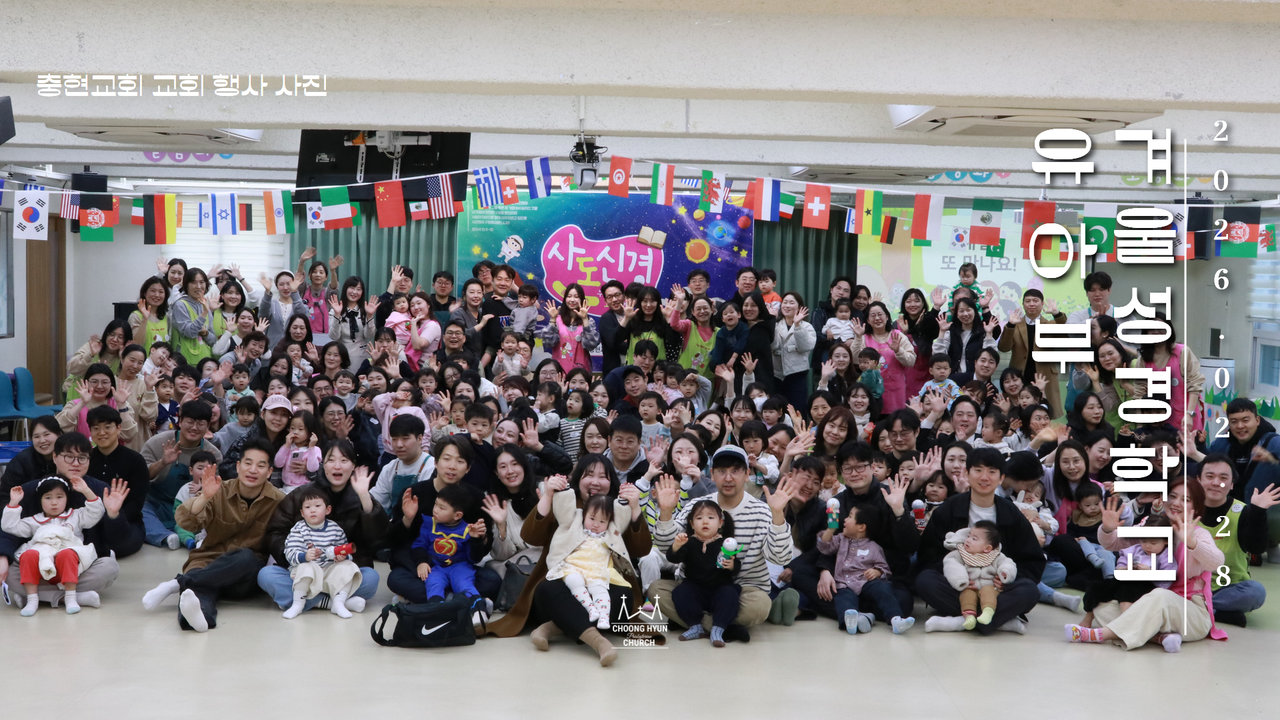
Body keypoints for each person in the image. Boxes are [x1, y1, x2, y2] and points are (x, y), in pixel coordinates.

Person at [650, 446, 799, 637]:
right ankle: (725, 628)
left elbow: (780, 557)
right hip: (695, 587)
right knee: (656, 590)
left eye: (735, 471)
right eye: (721, 471)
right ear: (712, 474)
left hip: (742, 590)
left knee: (760, 606)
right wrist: (665, 512)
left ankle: (694, 620)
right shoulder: (698, 507)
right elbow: (666, 546)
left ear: (747, 474)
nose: (728, 478)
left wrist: (777, 515)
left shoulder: (762, 511)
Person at [1065, 478, 1226, 652]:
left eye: (1185, 499)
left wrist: (1192, 543)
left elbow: (1216, 562)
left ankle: (1100, 635)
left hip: (1191, 614)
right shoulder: (1152, 523)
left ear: (1196, 507)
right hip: (1150, 602)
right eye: (1172, 496)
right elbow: (1113, 543)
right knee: (1102, 607)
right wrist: (1107, 529)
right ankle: (1160, 637)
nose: (1175, 503)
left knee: (1160, 595)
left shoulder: (1199, 534)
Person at [141, 439, 285, 632]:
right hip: (207, 561)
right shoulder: (219, 489)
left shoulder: (279, 500)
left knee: (246, 557)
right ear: (238, 466)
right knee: (193, 594)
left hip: (243, 575)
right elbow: (186, 522)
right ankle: (200, 621)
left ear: (269, 472)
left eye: (260, 465)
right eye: (248, 463)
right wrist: (205, 497)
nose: (253, 470)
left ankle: (178, 583)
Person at [915, 447, 1043, 634]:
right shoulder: (949, 509)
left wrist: (1006, 580)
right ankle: (994, 620)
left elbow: (1032, 560)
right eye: (978, 470)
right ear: (967, 474)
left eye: (992, 471)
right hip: (958, 586)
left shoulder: (1011, 514)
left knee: (1029, 591)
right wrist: (956, 577)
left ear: (1001, 478)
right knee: (925, 581)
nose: (984, 477)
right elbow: (928, 556)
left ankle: (964, 620)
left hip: (997, 589)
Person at [3, 475, 104, 616]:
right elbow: (9, 526)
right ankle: (32, 599)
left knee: (106, 565)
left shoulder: (76, 516)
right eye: (48, 498)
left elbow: (96, 512)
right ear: (40, 500)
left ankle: (69, 597)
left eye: (59, 497)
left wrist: (86, 491)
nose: (54, 503)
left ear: (67, 498)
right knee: (23, 559)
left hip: (73, 570)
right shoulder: (34, 521)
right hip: (41, 572)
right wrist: (13, 503)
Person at [542, 476, 631, 632]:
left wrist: (623, 503)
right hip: (573, 567)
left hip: (597, 571)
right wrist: (564, 491)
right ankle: (590, 608)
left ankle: (603, 616)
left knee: (601, 591)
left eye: (602, 522)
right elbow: (564, 512)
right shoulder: (575, 524)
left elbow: (621, 521)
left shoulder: (610, 532)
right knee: (573, 581)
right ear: (584, 515)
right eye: (592, 518)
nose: (596, 524)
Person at [1197, 454, 1275, 624]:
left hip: (1228, 589)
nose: (1216, 482)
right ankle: (1216, 612)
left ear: (1232, 484)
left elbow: (1256, 548)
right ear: (1198, 480)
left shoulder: (1242, 511)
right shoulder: (1186, 508)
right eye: (1209, 476)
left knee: (1256, 592)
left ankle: (1199, 607)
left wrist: (1258, 512)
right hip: (1191, 586)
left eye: (1223, 478)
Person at [818, 502, 915, 635]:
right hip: (844, 583)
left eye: (850, 516)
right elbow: (824, 547)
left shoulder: (874, 547)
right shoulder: (840, 539)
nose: (845, 519)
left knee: (883, 589)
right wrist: (830, 529)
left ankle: (895, 619)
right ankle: (851, 621)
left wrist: (877, 572)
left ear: (861, 527)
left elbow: (884, 568)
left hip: (865, 581)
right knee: (843, 600)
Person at [141, 401, 223, 549]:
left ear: (208, 426)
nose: (194, 428)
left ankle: (193, 537)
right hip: (158, 505)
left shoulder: (213, 454)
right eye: (190, 422)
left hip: (191, 508)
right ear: (180, 421)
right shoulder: (157, 443)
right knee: (139, 510)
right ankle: (166, 537)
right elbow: (141, 476)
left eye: (200, 424)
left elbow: (214, 492)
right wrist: (163, 462)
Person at [666, 499, 741, 646]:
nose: (705, 522)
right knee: (680, 592)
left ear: (720, 523)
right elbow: (673, 558)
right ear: (692, 524)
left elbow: (736, 567)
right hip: (695, 588)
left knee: (730, 595)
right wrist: (676, 546)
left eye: (711, 517)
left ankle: (718, 629)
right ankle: (695, 626)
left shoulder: (725, 544)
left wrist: (732, 565)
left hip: (720, 588)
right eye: (699, 518)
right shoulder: (689, 542)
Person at [279, 485, 361, 619]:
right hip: (306, 573)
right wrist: (305, 556)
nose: (312, 510)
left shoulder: (335, 529)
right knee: (304, 568)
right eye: (307, 507)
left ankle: (339, 602)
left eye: (317, 506)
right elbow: (289, 552)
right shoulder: (299, 529)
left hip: (329, 571)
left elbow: (344, 550)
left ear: (328, 510)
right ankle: (298, 603)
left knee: (350, 567)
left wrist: (343, 557)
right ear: (302, 513)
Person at [411, 483, 485, 607]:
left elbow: (473, 558)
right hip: (436, 567)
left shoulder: (468, 530)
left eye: (442, 508)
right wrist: (422, 562)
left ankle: (478, 608)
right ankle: (437, 608)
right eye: (436, 504)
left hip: (459, 567)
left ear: (457, 515)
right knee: (433, 583)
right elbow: (419, 545)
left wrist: (475, 539)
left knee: (463, 583)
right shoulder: (429, 524)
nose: (435, 509)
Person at [997, 289, 1068, 418]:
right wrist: (1010, 326)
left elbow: (1067, 334)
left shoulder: (1051, 324)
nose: (1031, 304)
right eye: (1028, 301)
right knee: (1017, 413)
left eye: (1035, 301)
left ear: (1042, 304)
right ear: (1023, 304)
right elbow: (1003, 347)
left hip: (1044, 375)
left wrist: (1057, 314)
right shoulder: (1015, 324)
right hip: (1020, 375)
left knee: (1044, 412)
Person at [942, 520, 1018, 630]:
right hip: (969, 587)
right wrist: (960, 579)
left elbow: (1008, 564)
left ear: (987, 548)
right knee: (966, 595)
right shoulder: (960, 553)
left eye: (974, 539)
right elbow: (951, 565)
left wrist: (1005, 573)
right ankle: (969, 617)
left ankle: (988, 612)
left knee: (988, 591)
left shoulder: (996, 556)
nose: (968, 540)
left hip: (991, 587)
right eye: (968, 536)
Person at [540, 283, 600, 373]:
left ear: (582, 299)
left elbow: (591, 345)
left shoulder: (588, 321)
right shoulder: (557, 319)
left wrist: (585, 320)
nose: (572, 300)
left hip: (581, 372)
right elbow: (548, 343)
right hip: (559, 370)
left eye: (576, 297)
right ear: (565, 299)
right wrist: (552, 319)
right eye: (569, 296)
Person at [772, 292, 816, 411]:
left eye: (791, 303)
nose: (787, 305)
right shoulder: (776, 325)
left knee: (797, 411)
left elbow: (805, 346)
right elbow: (773, 346)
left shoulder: (807, 326)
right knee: (777, 411)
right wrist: (772, 322)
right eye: (785, 302)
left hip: (797, 375)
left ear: (799, 307)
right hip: (777, 376)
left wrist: (797, 325)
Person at [170, 268, 217, 364]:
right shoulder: (180, 305)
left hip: (204, 361)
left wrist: (205, 333)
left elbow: (213, 340)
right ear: (186, 285)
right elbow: (190, 333)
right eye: (194, 282)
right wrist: (204, 314)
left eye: (202, 282)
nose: (198, 286)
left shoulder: (204, 304)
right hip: (184, 361)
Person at [129, 276, 171, 353]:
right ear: (145, 293)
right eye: (153, 291)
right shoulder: (136, 316)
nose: (157, 295)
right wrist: (145, 319)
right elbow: (137, 344)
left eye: (161, 292)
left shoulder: (166, 317)